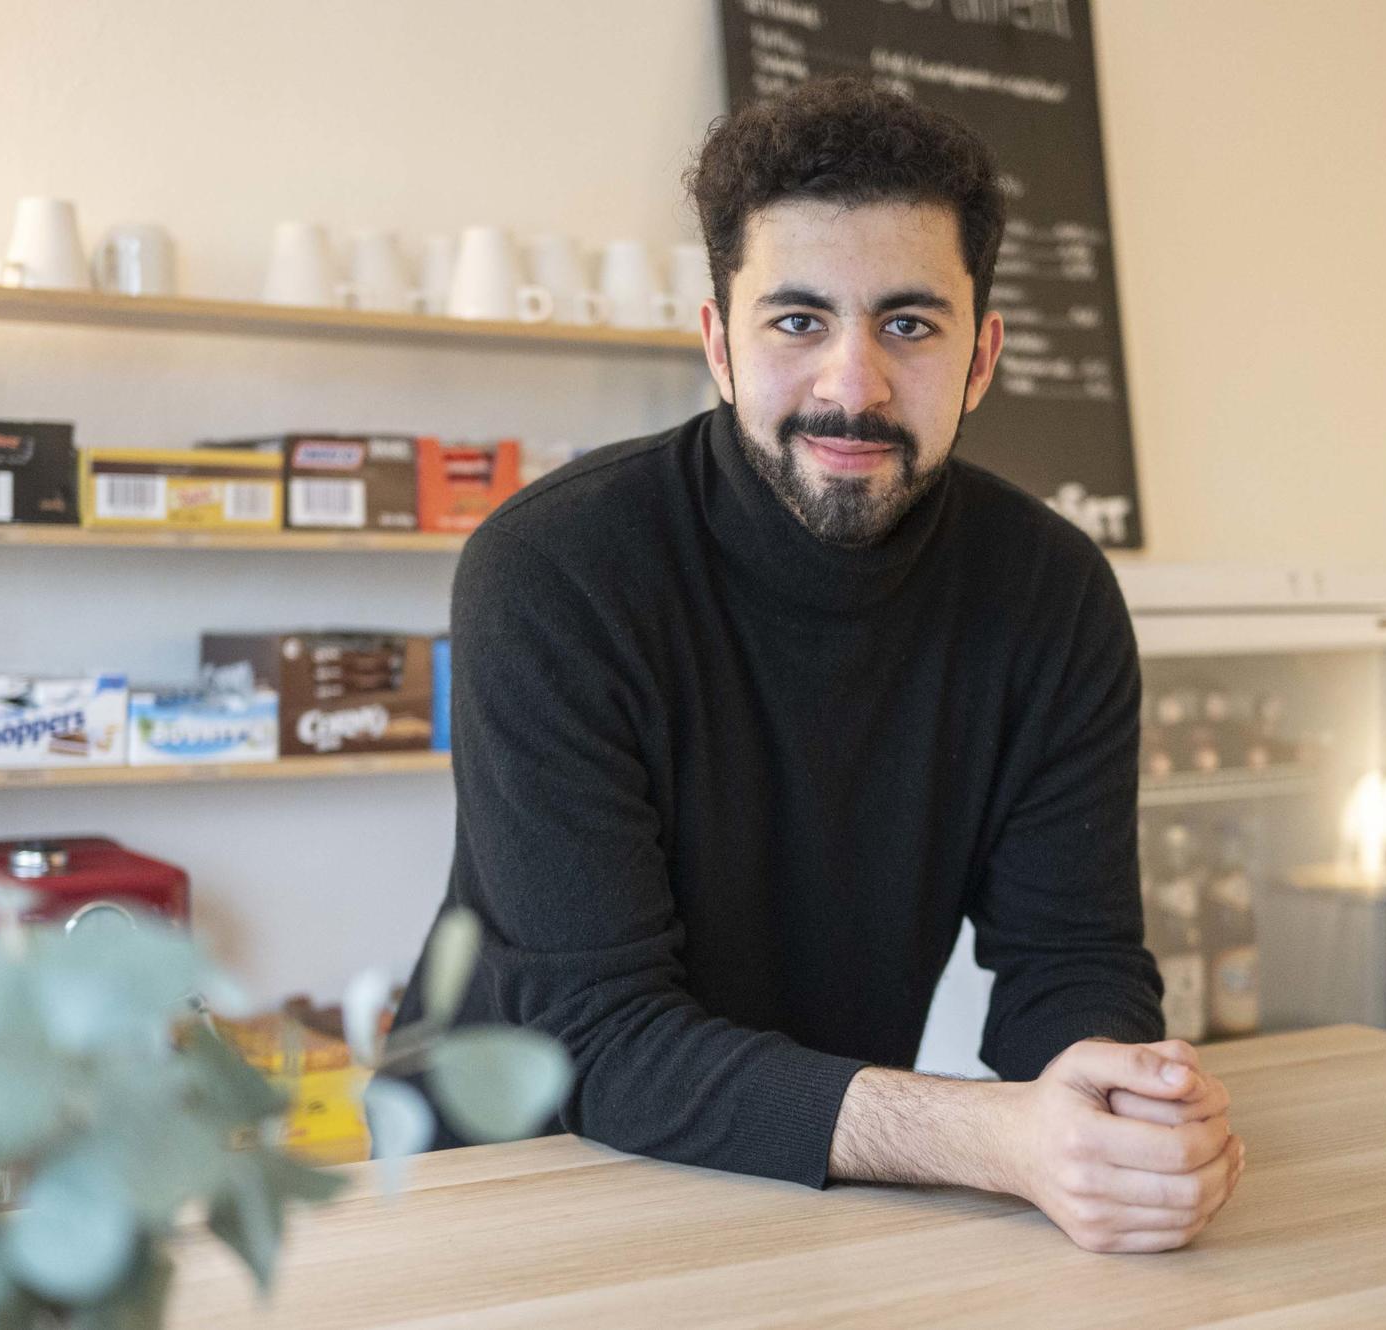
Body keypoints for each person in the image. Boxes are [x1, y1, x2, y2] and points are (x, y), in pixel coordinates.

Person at [396, 76, 1243, 1254]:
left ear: (982, 355)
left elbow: (1071, 958)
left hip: (809, 1184)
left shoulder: (1051, 593)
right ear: (718, 345)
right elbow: (598, 1035)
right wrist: (995, 1138)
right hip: (516, 1186)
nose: (853, 384)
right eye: (797, 321)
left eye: (908, 323)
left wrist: (1114, 1106)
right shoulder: (551, 571)